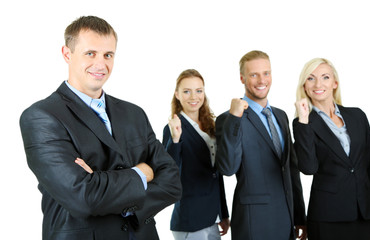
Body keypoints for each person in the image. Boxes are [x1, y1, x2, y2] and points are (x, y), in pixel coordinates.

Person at [19, 16, 182, 240]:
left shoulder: (134, 113)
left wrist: (100, 181)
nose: (100, 64)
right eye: (90, 53)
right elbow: (83, 197)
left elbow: (172, 182)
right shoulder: (42, 117)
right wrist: (141, 173)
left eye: (108, 55)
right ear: (67, 54)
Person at [215, 50, 307, 240]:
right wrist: (234, 118)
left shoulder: (281, 116)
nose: (261, 80)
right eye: (254, 74)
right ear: (242, 78)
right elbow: (228, 168)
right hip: (253, 223)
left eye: (266, 73)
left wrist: (299, 215)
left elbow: (291, 168)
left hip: (285, 219)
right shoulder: (229, 118)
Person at [293, 58, 370, 240]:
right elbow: (308, 168)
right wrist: (303, 120)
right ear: (304, 86)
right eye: (311, 78)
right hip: (328, 216)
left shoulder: (357, 115)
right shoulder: (303, 123)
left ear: (335, 83)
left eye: (325, 77)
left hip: (365, 212)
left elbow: (368, 163)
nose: (318, 84)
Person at [162, 69, 230, 240]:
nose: (194, 97)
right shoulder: (173, 128)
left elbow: (217, 173)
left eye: (198, 91)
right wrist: (176, 139)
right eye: (187, 91)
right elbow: (169, 172)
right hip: (190, 220)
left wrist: (223, 213)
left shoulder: (210, 125)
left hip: (212, 218)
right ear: (177, 94)